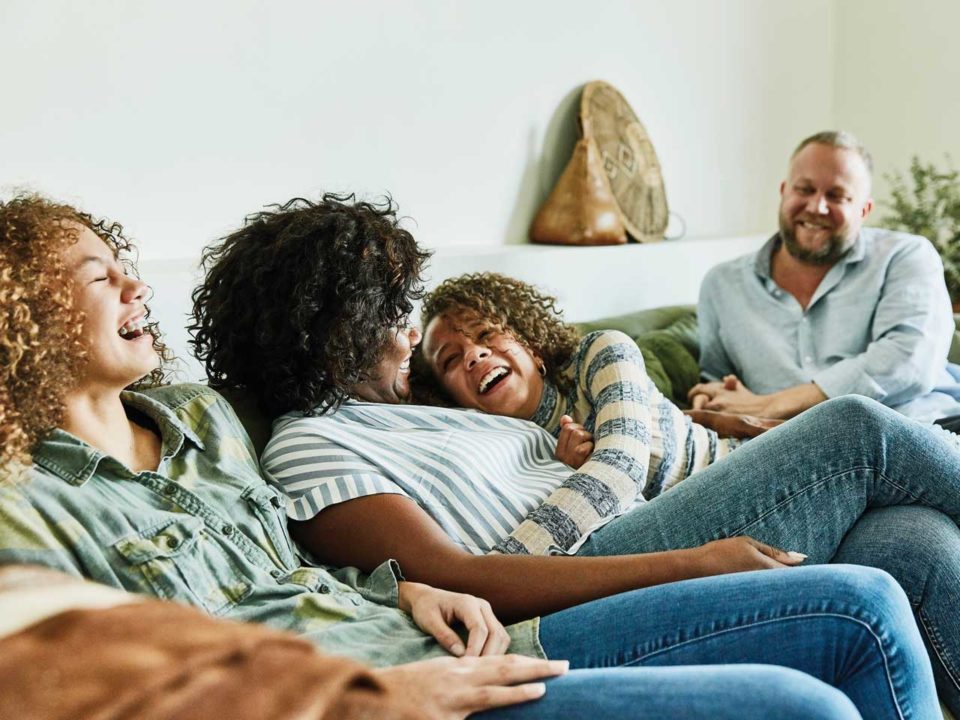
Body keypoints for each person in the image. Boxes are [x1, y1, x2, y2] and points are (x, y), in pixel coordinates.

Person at [0, 194, 935, 719]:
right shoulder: (35, 503)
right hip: (398, 686)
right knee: (811, 673)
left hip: (434, 635)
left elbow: (298, 568)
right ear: (22, 317)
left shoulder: (201, 420)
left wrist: (403, 591)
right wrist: (362, 694)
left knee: (906, 554)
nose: (134, 280)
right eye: (98, 274)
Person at [415, 271, 777, 555]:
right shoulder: (494, 457)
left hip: (743, 472)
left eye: (486, 334)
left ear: (529, 343)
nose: (474, 355)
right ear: (450, 400)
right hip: (701, 539)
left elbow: (621, 465)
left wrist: (497, 573)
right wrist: (561, 472)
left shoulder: (601, 352)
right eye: (450, 359)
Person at [691, 130, 960, 431]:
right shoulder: (722, 284)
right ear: (784, 192)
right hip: (793, 446)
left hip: (925, 428)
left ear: (864, 210)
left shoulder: (906, 256)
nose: (816, 207)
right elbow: (718, 382)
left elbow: (910, 361)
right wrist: (712, 398)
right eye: (804, 190)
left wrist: (777, 404)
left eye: (837, 196)